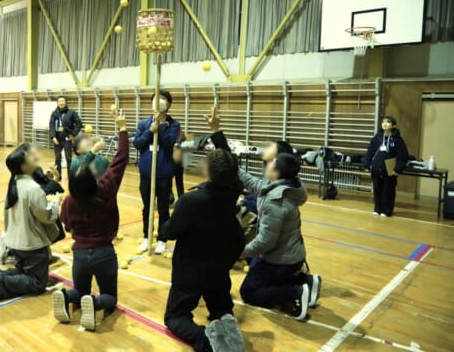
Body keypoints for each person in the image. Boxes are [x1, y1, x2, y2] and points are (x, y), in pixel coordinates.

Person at [205, 107, 320, 321]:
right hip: (283, 251)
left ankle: (295, 292)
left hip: (280, 256)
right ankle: (306, 281)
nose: (265, 149)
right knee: (255, 267)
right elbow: (240, 174)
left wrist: (238, 253)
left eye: (270, 148)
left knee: (249, 291)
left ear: (278, 162)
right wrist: (217, 131)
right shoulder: (279, 182)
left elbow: (266, 241)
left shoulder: (277, 200)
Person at [161, 147, 246, 351]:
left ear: (208, 171)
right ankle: (226, 320)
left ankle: (207, 341)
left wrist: (164, 221)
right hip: (220, 264)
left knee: (175, 317)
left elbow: (170, 232)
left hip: (191, 269)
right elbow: (231, 172)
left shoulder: (191, 200)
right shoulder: (234, 190)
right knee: (221, 308)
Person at [52, 110, 128, 332]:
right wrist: (122, 128)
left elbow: (66, 225)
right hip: (104, 252)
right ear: (93, 180)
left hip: (80, 254)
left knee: (80, 291)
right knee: (110, 297)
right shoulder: (106, 188)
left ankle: (67, 296)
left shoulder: (69, 202)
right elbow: (120, 160)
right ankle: (95, 304)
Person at [0, 144, 61, 301]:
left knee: (23, 272)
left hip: (15, 242)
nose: (35, 156)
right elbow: (46, 216)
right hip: (32, 244)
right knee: (37, 284)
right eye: (31, 156)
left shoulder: (14, 184)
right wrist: (55, 203)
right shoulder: (32, 188)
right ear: (24, 166)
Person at [133, 90, 181, 254]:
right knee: (147, 207)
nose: (159, 101)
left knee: (163, 208)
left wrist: (160, 126)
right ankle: (147, 237)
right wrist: (150, 130)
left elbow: (168, 142)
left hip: (164, 173)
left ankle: (162, 239)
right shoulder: (143, 123)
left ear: (168, 104)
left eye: (163, 99)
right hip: (146, 172)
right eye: (156, 99)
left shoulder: (174, 124)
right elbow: (137, 143)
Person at [363, 116, 409, 218]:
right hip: (376, 168)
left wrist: (397, 169)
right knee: (377, 189)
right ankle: (377, 209)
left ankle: (387, 210)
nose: (385, 124)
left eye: (388, 122)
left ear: (393, 125)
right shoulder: (377, 138)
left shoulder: (397, 140)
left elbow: (402, 156)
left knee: (388, 190)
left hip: (389, 170)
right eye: (383, 122)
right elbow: (370, 152)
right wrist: (367, 164)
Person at [49, 96, 83, 178]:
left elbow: (79, 124)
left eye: (63, 101)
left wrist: (73, 134)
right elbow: (51, 125)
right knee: (57, 158)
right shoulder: (54, 113)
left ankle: (70, 177)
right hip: (57, 139)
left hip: (67, 138)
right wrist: (53, 136)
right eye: (59, 101)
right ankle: (58, 176)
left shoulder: (71, 112)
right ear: (57, 103)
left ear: (65, 102)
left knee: (68, 159)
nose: (61, 103)